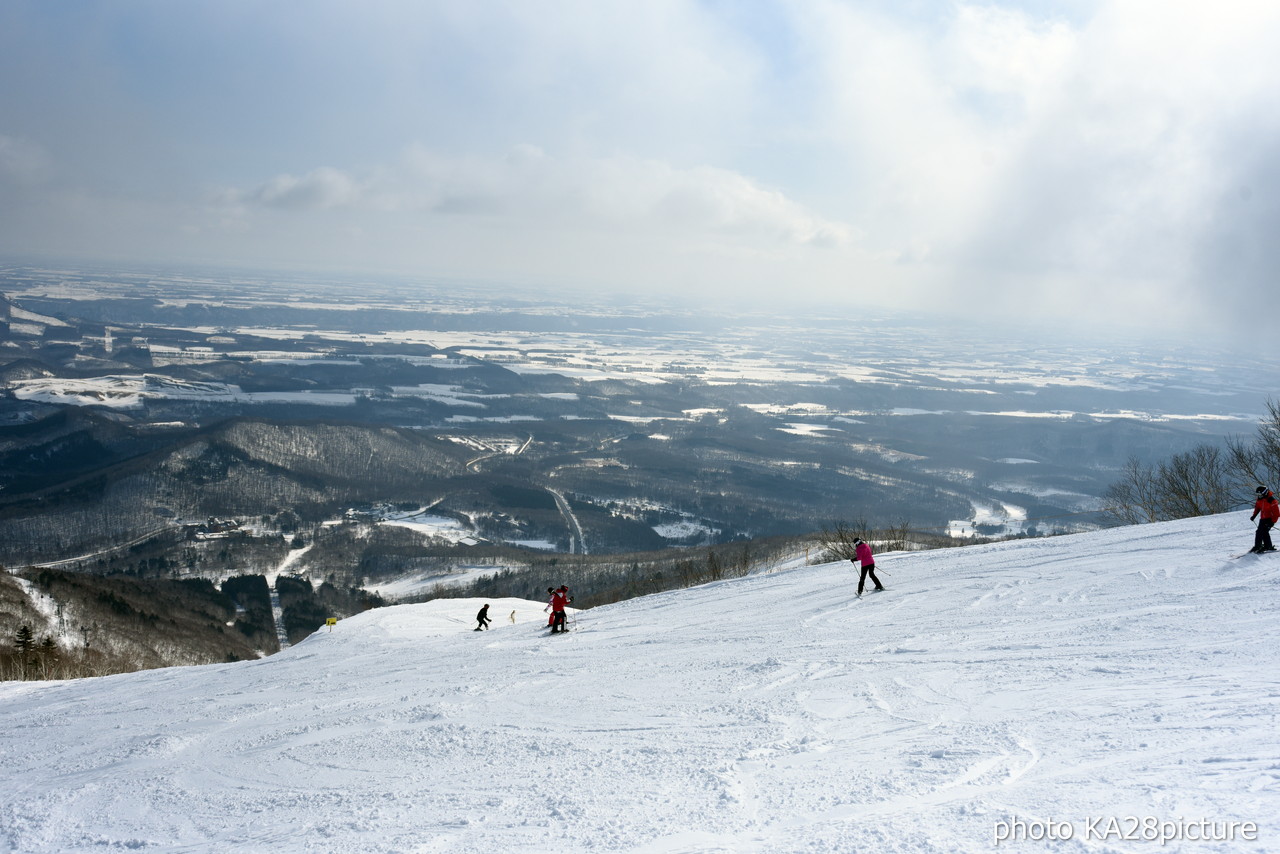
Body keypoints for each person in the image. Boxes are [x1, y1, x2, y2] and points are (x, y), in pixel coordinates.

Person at [1250, 486, 1279, 553]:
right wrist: (1254, 515)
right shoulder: (1260, 499)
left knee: (1262, 532)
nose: (1259, 496)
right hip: (1263, 518)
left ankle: (1258, 546)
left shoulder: (1272, 500)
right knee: (1262, 532)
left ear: (1265, 493)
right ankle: (1267, 546)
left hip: (1269, 519)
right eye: (1258, 494)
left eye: (1260, 494)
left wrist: (1272, 522)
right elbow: (1257, 507)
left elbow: (1276, 513)